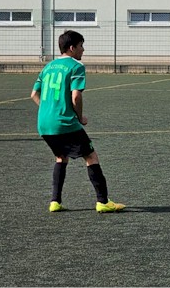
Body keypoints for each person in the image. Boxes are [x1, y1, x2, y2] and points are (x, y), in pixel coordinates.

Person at [31, 30, 125, 213]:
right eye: (81, 45)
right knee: (91, 156)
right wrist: (79, 117)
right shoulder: (76, 66)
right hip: (64, 123)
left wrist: (48, 110)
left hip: (44, 124)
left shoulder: (48, 67)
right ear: (72, 48)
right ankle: (103, 201)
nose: (83, 49)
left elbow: (34, 94)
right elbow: (76, 97)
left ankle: (55, 201)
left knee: (61, 157)